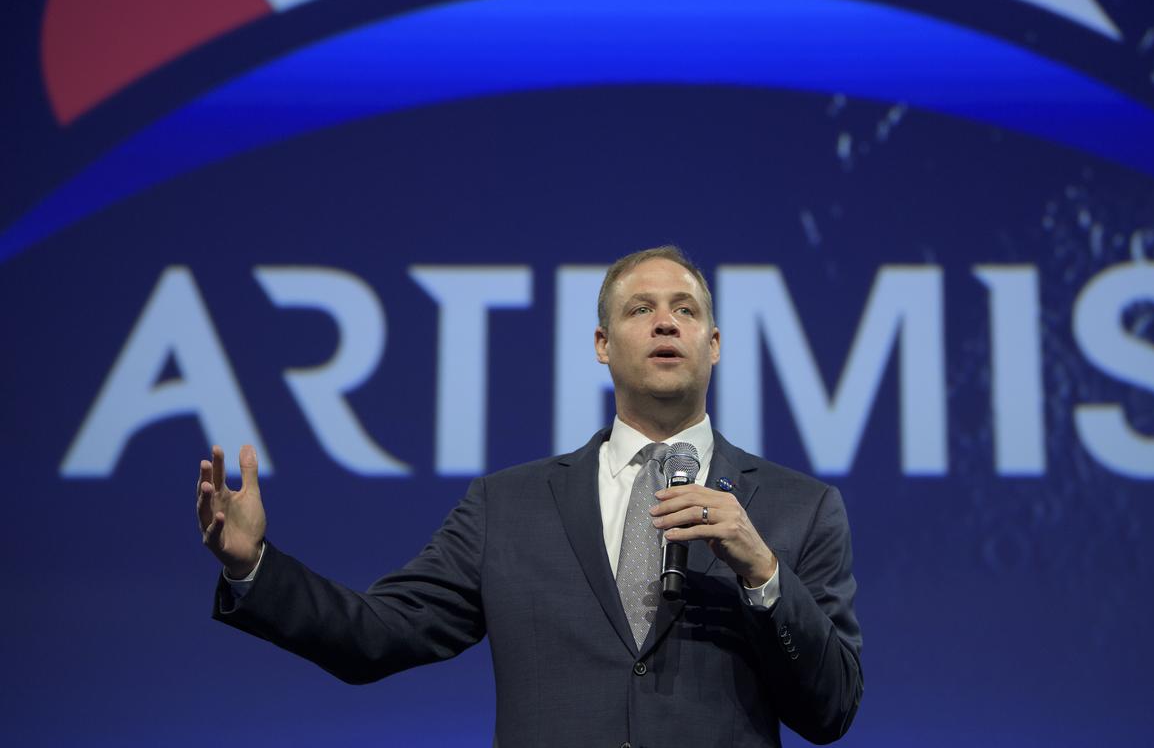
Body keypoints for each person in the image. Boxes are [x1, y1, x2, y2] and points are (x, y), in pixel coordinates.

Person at [198, 246, 863, 746]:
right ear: (602, 346)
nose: (666, 322)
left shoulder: (797, 509)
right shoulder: (508, 507)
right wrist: (252, 563)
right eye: (641, 309)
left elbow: (831, 708)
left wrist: (764, 573)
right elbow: (375, 635)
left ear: (713, 346)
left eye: (685, 310)